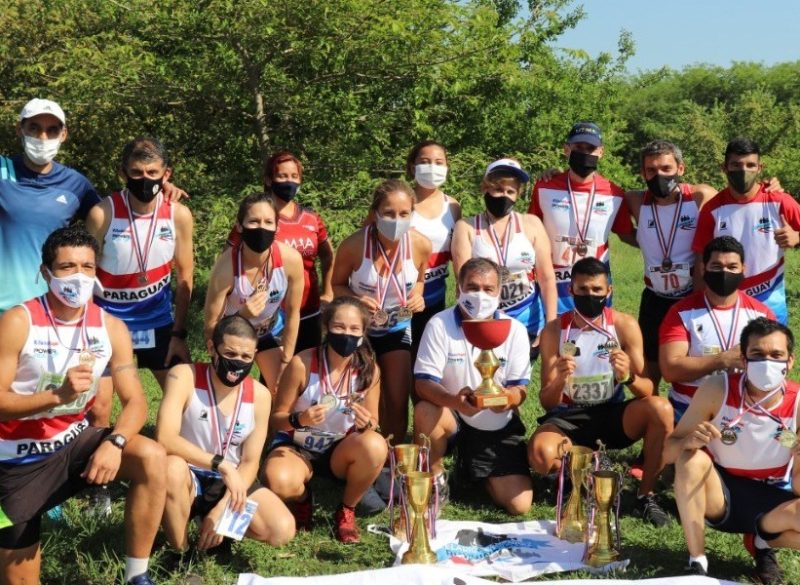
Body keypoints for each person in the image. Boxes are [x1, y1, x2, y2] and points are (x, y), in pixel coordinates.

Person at [0, 226, 166, 585]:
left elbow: (136, 401)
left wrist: (115, 442)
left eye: (87, 267)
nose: (78, 276)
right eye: (67, 267)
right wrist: (56, 397)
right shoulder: (18, 321)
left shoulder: (111, 327)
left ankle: (137, 577)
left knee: (151, 457)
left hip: (72, 444)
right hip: (14, 459)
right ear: (46, 273)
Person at [0, 99, 187, 316]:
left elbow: (116, 214)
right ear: (19, 129)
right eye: (34, 128)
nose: (43, 137)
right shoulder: (3, 169)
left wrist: (158, 185)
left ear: (63, 134)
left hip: (51, 307)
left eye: (52, 130)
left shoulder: (76, 184)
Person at [528, 257, 672, 526]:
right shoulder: (555, 330)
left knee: (661, 409)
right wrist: (559, 379)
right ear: (571, 290)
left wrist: (627, 377)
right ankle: (582, 473)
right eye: (582, 289)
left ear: (609, 291)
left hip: (612, 414)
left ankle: (646, 495)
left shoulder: (624, 325)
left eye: (597, 290)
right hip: (569, 417)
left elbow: (648, 389)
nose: (590, 296)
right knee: (540, 454)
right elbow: (547, 402)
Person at [664, 317, 800, 584]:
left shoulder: (797, 402)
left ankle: (762, 542)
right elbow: (668, 452)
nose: (767, 363)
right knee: (691, 459)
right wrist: (687, 442)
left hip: (774, 502)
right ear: (743, 359)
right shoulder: (718, 388)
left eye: (776, 355)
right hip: (721, 496)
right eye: (757, 354)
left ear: (790, 362)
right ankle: (697, 561)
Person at [156, 314, 295, 551]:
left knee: (282, 530)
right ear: (212, 348)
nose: (238, 363)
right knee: (171, 469)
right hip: (189, 473)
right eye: (230, 354)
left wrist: (223, 508)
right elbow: (164, 438)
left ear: (255, 355)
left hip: (232, 480)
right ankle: (180, 550)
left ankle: (215, 522)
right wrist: (220, 464)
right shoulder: (184, 376)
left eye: (246, 357)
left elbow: (250, 461)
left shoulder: (260, 395)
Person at [86, 137, 194, 438]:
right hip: (108, 321)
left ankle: (182, 454)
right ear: (123, 173)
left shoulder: (178, 214)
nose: (144, 180)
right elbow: (86, 272)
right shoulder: (102, 213)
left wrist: (178, 333)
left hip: (156, 320)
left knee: (186, 397)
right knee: (99, 407)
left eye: (152, 173)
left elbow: (186, 275)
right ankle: (98, 461)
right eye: (136, 173)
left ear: (166, 174)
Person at [414, 258, 533, 514]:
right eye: (473, 287)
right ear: (459, 289)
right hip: (452, 416)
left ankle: (470, 469)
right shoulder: (439, 324)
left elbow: (520, 388)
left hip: (495, 423)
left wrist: (508, 400)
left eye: (488, 289)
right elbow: (423, 383)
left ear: (499, 293)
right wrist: (454, 401)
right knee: (425, 410)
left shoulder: (515, 330)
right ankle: (434, 477)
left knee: (519, 505)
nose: (480, 295)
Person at [261, 297, 385, 543]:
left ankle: (346, 509)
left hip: (340, 449)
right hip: (298, 446)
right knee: (278, 481)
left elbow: (374, 423)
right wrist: (300, 419)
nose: (346, 334)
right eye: (339, 327)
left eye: (354, 329)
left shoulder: (369, 370)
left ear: (363, 333)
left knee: (375, 445)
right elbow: (276, 419)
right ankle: (303, 499)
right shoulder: (302, 363)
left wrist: (366, 423)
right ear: (327, 327)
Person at [331, 179, 430, 443]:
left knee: (397, 400)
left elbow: (420, 281)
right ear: (375, 213)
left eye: (404, 214)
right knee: (357, 397)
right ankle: (355, 448)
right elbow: (335, 285)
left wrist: (417, 296)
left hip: (396, 328)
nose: (396, 220)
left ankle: (393, 454)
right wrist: (356, 299)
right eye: (388, 213)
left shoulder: (421, 245)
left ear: (412, 214)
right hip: (358, 331)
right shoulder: (353, 246)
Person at [625, 140, 716, 387]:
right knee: (650, 370)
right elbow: (621, 229)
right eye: (651, 170)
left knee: (694, 368)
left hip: (692, 297)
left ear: (680, 168)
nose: (659, 175)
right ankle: (653, 410)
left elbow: (737, 202)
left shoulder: (700, 196)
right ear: (643, 173)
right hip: (655, 298)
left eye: (666, 168)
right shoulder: (634, 200)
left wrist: (770, 187)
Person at [227, 151, 335, 353]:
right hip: (268, 312)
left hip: (308, 308)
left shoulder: (311, 218)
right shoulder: (257, 219)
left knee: (306, 366)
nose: (289, 181)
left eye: (294, 176)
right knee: (275, 369)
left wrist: (328, 292)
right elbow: (229, 260)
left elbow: (328, 255)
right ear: (269, 179)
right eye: (282, 176)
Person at [660, 236, 775, 422]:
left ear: (743, 269)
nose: (724, 272)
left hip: (742, 410)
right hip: (689, 408)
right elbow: (670, 370)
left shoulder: (761, 314)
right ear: (702, 268)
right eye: (716, 266)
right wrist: (722, 360)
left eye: (732, 267)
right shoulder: (681, 312)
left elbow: (772, 368)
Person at [451, 158, 557, 359]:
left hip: (527, 320)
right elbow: (463, 282)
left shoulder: (532, 224)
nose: (504, 196)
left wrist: (551, 325)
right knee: (485, 376)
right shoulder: (466, 227)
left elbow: (547, 278)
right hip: (484, 318)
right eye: (498, 189)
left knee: (518, 378)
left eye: (510, 191)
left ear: (518, 194)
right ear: (485, 188)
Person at [528, 121, 636, 314]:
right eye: (579, 147)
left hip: (594, 286)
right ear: (567, 149)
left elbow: (626, 233)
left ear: (601, 152)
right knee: (554, 333)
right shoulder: (544, 186)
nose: (585, 153)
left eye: (590, 148)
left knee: (594, 333)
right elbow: (530, 234)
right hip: (554, 285)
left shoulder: (614, 193)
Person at [692, 137, 800, 325]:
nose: (744, 171)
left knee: (771, 345)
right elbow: (701, 261)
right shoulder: (711, 210)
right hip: (725, 302)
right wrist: (699, 307)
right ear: (724, 168)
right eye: (736, 165)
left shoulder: (779, 201)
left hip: (770, 302)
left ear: (760, 168)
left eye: (751, 165)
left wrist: (797, 237)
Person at [204, 193, 304, 395]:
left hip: (267, 331)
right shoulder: (226, 267)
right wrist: (242, 316)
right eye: (254, 221)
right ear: (240, 226)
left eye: (268, 222)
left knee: (283, 389)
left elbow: (293, 314)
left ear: (277, 227)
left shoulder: (291, 260)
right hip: (231, 336)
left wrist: (286, 360)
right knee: (228, 389)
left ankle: (273, 416)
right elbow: (210, 325)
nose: (261, 228)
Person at [406, 141, 461, 352]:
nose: (432, 167)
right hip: (399, 300)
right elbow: (367, 240)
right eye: (425, 161)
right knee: (399, 361)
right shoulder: (398, 201)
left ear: (447, 167)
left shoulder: (453, 206)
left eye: (439, 162)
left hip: (435, 299)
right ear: (413, 167)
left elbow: (457, 253)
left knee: (427, 358)